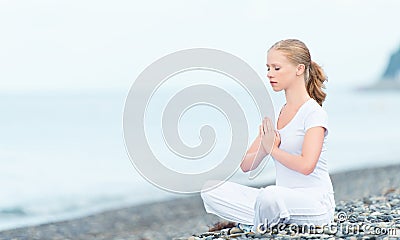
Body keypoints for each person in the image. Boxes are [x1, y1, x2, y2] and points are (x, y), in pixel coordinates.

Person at [201, 39, 335, 232]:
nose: (269, 74)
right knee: (210, 189)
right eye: (268, 68)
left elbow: (306, 166)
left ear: (299, 69)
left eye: (276, 68)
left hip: (314, 205)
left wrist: (273, 149)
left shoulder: (313, 113)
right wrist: (264, 148)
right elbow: (247, 165)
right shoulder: (276, 114)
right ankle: (265, 221)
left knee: (269, 196)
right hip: (280, 201)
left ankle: (255, 226)